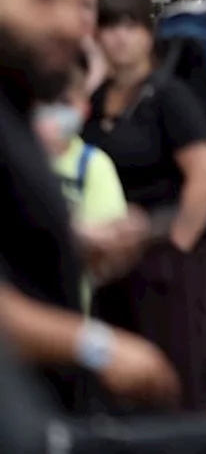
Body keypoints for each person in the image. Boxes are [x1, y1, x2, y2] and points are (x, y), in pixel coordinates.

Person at [0, 0, 176, 412]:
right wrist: (95, 345)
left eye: (83, 5)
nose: (68, 23)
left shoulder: (18, 111)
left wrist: (71, 239)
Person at [86, 0, 206, 412]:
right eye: (109, 27)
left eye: (130, 27)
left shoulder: (169, 98)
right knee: (112, 385)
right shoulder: (92, 98)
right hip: (107, 262)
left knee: (173, 379)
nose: (119, 38)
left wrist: (178, 245)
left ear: (148, 36)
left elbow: (205, 177)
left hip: (165, 260)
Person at [36, 54, 129, 310]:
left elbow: (108, 251)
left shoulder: (93, 166)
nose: (53, 111)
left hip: (69, 313)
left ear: (84, 108)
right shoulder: (13, 158)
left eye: (65, 102)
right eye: (44, 100)